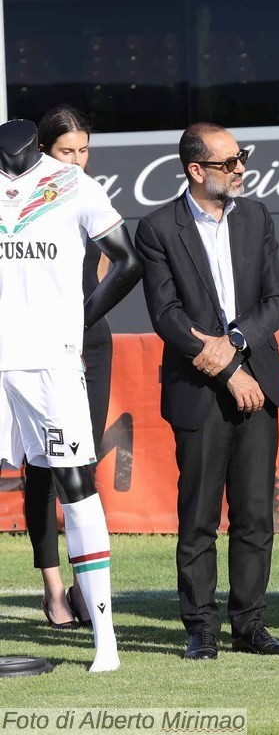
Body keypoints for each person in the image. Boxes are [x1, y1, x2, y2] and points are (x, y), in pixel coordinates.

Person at [134, 122, 279, 660]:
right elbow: (167, 317)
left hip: (258, 380)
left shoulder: (257, 216)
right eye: (229, 162)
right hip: (200, 391)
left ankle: (250, 624)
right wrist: (227, 368)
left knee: (254, 514)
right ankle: (201, 627)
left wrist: (238, 341)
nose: (241, 169)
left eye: (241, 158)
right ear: (196, 170)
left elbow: (278, 299)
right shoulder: (158, 228)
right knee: (198, 515)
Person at [0, 118, 143, 671]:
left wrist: (78, 321)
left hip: (50, 365)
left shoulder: (74, 183)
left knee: (75, 484)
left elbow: (128, 261)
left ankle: (104, 640)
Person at [25, 105, 110, 631]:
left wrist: (82, 322)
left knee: (84, 465)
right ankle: (54, 591)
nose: (76, 161)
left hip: (89, 341)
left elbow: (105, 263)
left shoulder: (86, 192)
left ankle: (87, 587)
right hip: (35, 347)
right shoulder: (23, 200)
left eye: (83, 150)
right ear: (42, 151)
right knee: (42, 471)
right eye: (65, 151)